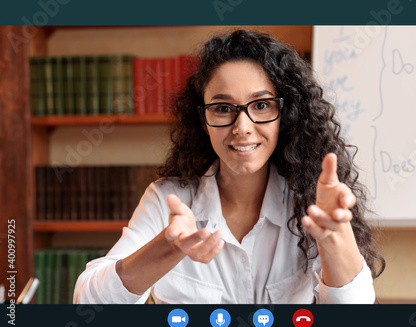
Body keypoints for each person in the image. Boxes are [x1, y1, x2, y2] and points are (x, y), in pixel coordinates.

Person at [74, 29, 385, 304]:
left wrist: (335, 236)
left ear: (284, 115)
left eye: (261, 105)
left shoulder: (311, 202)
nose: (242, 127)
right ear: (204, 121)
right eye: (223, 108)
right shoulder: (166, 200)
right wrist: (166, 248)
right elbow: (88, 303)